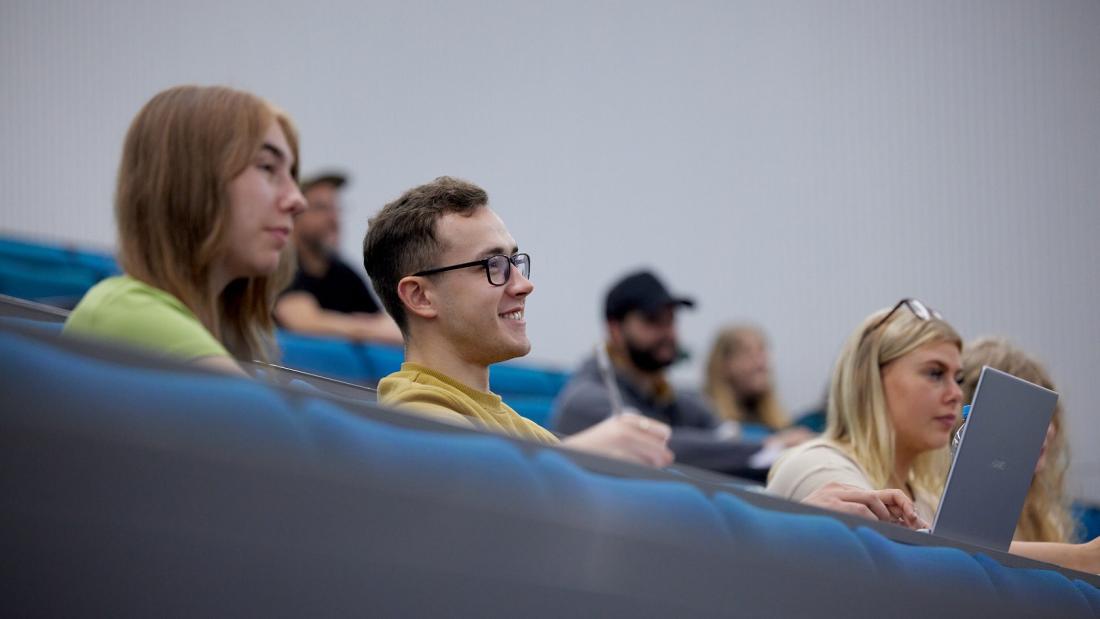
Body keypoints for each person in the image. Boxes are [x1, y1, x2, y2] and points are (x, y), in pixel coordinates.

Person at [362, 177, 923, 525]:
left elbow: (661, 509)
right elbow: (492, 502)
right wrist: (583, 459)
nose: (522, 283)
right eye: (493, 265)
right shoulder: (416, 415)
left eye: (517, 260)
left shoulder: (513, 426)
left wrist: (798, 513)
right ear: (419, 295)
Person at [767, 299, 1099, 572]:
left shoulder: (926, 496)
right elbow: (909, 570)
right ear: (867, 378)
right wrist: (1081, 558)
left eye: (958, 378)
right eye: (935, 373)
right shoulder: (815, 464)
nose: (956, 393)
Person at [64, 85, 306, 376]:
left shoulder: (215, 334)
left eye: (290, 175)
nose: (297, 200)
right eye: (267, 167)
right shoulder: (130, 311)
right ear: (191, 182)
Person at [551, 272, 791, 480]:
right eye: (653, 320)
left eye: (671, 320)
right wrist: (768, 448)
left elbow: (724, 437)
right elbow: (651, 445)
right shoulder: (585, 398)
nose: (668, 333)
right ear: (615, 329)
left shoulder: (672, 398)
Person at [960, 337, 1077, 543]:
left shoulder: (1043, 518)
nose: (1049, 430)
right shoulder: (932, 504)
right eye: (1029, 415)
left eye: (1049, 414)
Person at [274, 171, 402, 345]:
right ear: (294, 214)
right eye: (321, 208)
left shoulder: (343, 273)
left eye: (336, 208)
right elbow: (302, 321)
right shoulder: (279, 264)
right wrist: (362, 328)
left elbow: (385, 324)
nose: (333, 218)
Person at [703, 324, 815, 446]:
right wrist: (776, 443)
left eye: (762, 352)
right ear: (724, 364)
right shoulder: (706, 417)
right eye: (747, 353)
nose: (760, 363)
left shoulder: (778, 423)